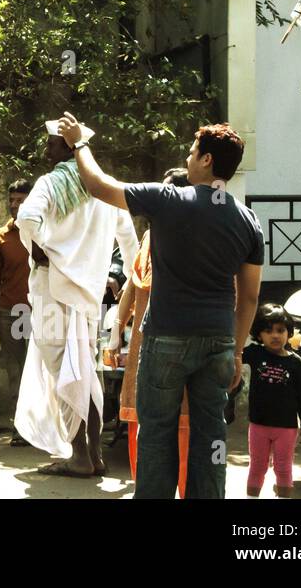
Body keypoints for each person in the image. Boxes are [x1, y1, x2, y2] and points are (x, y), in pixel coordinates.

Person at [56, 112, 264, 499]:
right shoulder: (248, 220)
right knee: (210, 436)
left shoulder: (169, 199)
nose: (187, 158)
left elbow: (99, 185)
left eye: (192, 152)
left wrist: (80, 143)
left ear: (206, 160)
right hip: (219, 342)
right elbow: (249, 296)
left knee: (157, 434)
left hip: (167, 337)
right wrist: (236, 352)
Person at [14, 120, 139, 477]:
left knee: (64, 373)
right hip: (88, 295)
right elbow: (129, 238)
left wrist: (47, 251)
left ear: (70, 146)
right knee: (85, 371)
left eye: (51, 144)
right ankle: (93, 454)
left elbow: (26, 218)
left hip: (54, 290)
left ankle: (80, 456)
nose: (45, 150)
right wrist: (130, 282)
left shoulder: (51, 183)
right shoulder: (104, 186)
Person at [113, 166, 192, 497]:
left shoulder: (197, 238)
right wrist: (117, 329)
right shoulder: (148, 237)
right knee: (139, 418)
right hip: (143, 342)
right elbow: (133, 284)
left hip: (182, 341)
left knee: (183, 423)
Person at [243, 303, 301, 498]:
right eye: (268, 331)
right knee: (257, 466)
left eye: (280, 330)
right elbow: (235, 352)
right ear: (259, 335)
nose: (275, 335)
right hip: (258, 425)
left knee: (283, 468)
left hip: (287, 428)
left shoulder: (297, 364)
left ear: (288, 333)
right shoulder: (255, 354)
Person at [0, 178, 34, 446]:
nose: (14, 205)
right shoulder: (0, 236)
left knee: (41, 372)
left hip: (42, 313)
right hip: (9, 313)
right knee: (16, 372)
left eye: (20, 200)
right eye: (12, 200)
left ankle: (45, 429)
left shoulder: (44, 232)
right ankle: (20, 428)